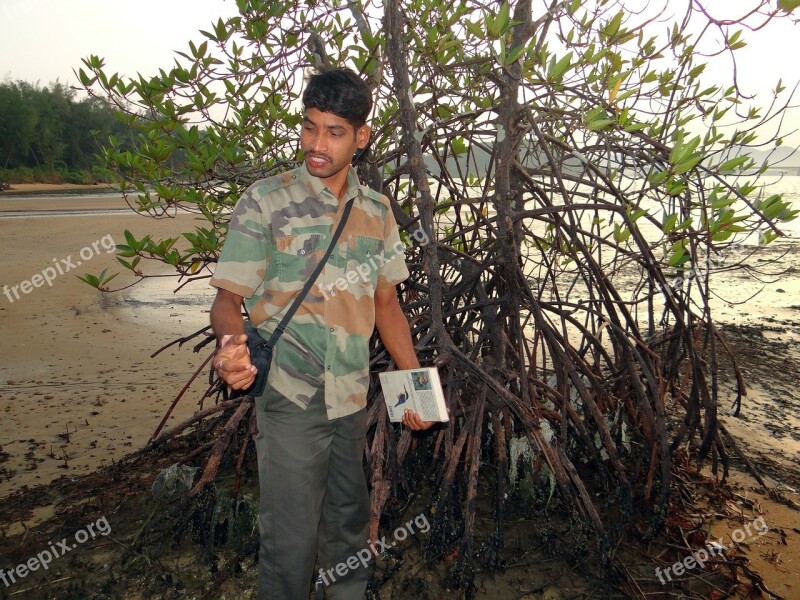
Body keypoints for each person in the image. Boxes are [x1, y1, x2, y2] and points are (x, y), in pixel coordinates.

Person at [209, 67, 431, 599]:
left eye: (334, 132)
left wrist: (415, 382)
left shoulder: (376, 211)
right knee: (289, 542)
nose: (316, 144)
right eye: (310, 127)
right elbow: (226, 299)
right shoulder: (265, 200)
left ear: (361, 136)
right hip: (289, 393)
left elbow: (387, 305)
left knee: (349, 527)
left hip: (351, 395)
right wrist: (229, 348)